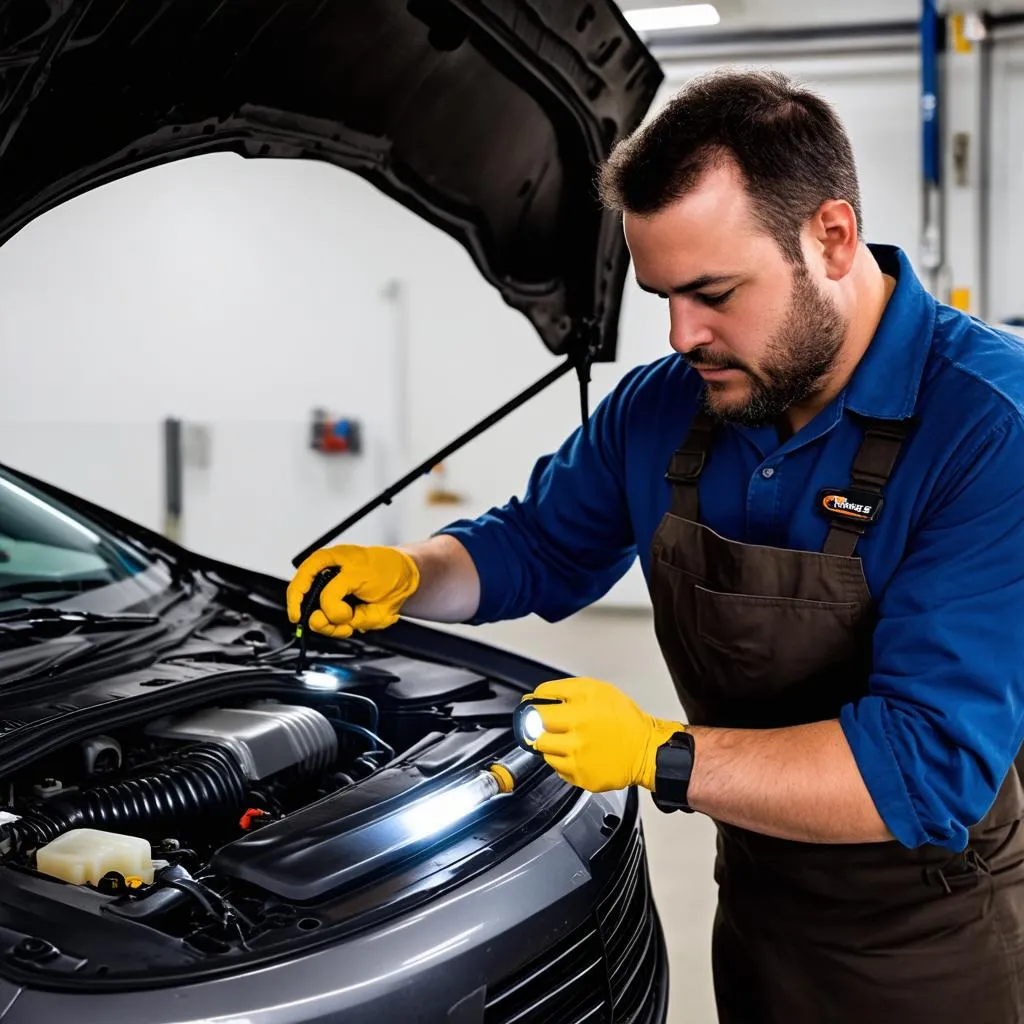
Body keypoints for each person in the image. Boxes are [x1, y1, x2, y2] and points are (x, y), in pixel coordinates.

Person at [287, 69, 1024, 1022]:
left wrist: (656, 753)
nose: (682, 335)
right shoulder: (666, 405)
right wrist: (412, 571)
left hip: (927, 939)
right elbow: (537, 545)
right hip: (756, 899)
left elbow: (926, 767)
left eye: (713, 292)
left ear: (831, 238)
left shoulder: (988, 428)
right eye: (663, 295)